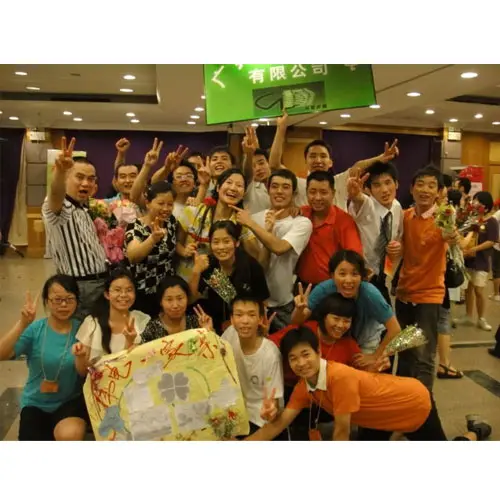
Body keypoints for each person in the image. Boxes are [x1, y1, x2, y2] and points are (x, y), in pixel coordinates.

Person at [244, 326, 492, 441]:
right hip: (377, 418)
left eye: (305, 354)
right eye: (293, 358)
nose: (300, 363)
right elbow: (277, 425)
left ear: (319, 352)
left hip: (413, 404)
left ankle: (476, 431)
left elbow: (342, 432)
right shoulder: (303, 386)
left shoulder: (339, 377)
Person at [394, 165, 459, 391]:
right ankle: (404, 399)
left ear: (439, 192)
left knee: (423, 357)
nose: (425, 190)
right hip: (404, 293)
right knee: (404, 352)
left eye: (431, 186)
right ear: (411, 189)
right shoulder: (405, 216)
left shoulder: (442, 217)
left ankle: (423, 406)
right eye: (420, 184)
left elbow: (450, 234)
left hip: (429, 296)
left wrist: (452, 235)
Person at [0, 275, 88, 441]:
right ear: (47, 301)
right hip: (35, 403)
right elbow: (2, 354)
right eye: (57, 299)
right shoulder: (35, 329)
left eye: (69, 299)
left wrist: (82, 357)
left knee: (70, 435)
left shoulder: (82, 330)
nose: (63, 305)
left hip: (69, 402)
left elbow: (84, 372)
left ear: (77, 302)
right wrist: (22, 324)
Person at [268, 110, 400, 210]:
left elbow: (358, 166)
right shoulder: (298, 183)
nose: (318, 160)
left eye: (323, 156)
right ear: (306, 161)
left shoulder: (340, 181)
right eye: (312, 156)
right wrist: (281, 129)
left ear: (330, 162)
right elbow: (274, 165)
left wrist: (381, 158)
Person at [233, 169, 313, 331]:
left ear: (294, 193)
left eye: (285, 187)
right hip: (254, 303)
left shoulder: (301, 223)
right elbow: (260, 265)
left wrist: (251, 225)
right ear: (268, 190)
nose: (279, 191)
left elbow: (279, 248)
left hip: (283, 304)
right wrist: (260, 227)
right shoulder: (254, 218)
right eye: (275, 186)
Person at [42, 137, 108, 320]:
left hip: (99, 283)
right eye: (79, 177)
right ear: (67, 178)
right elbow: (55, 195)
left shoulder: (82, 209)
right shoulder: (60, 206)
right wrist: (60, 172)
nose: (85, 183)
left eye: (91, 179)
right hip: (80, 286)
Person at [292, 250, 400, 359]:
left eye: (354, 274)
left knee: (362, 367)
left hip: (365, 340)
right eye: (342, 274)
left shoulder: (370, 294)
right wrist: (299, 310)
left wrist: (374, 356)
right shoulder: (324, 289)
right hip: (336, 338)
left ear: (362, 276)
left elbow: (395, 329)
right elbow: (295, 322)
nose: (348, 280)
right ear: (332, 275)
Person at [176, 168, 260, 283]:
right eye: (229, 182)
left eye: (239, 185)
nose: (233, 188)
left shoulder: (241, 222)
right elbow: (176, 242)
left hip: (218, 285)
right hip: (185, 279)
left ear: (244, 193)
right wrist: (184, 251)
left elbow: (255, 256)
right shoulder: (193, 211)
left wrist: (249, 225)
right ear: (218, 187)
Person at [189, 220, 269, 333]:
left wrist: (261, 329)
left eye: (226, 241)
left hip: (245, 326)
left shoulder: (251, 266)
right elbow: (191, 298)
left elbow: (263, 302)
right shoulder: (208, 265)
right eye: (216, 242)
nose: (221, 247)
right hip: (214, 326)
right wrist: (196, 271)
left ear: (237, 243)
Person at [221, 296, 284, 435]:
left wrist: (271, 410)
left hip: (258, 416)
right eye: (239, 315)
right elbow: (216, 360)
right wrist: (208, 337)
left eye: (251, 315)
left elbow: (274, 401)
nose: (245, 321)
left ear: (260, 319)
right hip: (233, 408)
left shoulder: (270, 354)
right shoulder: (230, 334)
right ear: (232, 319)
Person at [73, 269, 150, 373]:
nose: (123, 295)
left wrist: (129, 341)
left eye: (129, 290)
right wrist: (80, 356)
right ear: (107, 294)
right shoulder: (92, 323)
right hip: (103, 382)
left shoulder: (142, 320)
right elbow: (83, 372)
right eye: (117, 290)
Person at [347, 161, 403, 303]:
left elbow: (397, 237)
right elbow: (359, 200)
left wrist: (397, 248)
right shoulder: (366, 205)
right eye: (377, 185)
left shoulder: (397, 207)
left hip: (381, 277)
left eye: (388, 182)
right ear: (368, 189)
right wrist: (355, 195)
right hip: (360, 276)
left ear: (396, 184)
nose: (384, 190)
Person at [297, 171, 363, 288]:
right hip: (302, 285)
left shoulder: (344, 221)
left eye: (323, 192)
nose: (317, 197)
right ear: (306, 193)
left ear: (333, 193)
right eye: (312, 192)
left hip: (333, 287)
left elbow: (354, 258)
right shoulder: (300, 214)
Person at [125, 181, 178, 316]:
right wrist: (152, 239)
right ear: (148, 203)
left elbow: (176, 243)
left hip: (166, 292)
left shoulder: (171, 222)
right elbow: (133, 256)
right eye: (161, 203)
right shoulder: (136, 226)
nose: (166, 208)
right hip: (142, 293)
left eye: (170, 204)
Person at [454, 191, 499, 331]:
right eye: (474, 200)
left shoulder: (491, 221)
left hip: (481, 261)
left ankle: (481, 318)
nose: (474, 203)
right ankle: (468, 316)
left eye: (478, 201)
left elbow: (491, 241)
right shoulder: (472, 219)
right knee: (468, 289)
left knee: (479, 291)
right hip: (468, 260)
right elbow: (464, 234)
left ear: (485, 205)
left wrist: (475, 249)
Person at [140, 276, 210, 343]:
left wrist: (208, 331)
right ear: (161, 302)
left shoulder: (197, 322)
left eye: (180, 298)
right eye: (169, 299)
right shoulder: (152, 329)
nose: (175, 305)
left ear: (187, 298)